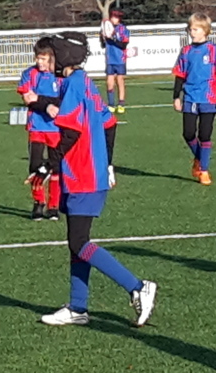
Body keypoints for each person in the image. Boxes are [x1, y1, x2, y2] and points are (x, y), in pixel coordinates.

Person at [37, 32, 158, 328]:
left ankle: (137, 286)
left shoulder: (75, 84)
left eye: (51, 56)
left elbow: (71, 132)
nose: (47, 63)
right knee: (76, 243)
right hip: (85, 173)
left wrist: (48, 164)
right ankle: (78, 307)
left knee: (79, 242)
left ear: (63, 57)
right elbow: (109, 122)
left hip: (83, 175)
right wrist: (109, 164)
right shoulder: (85, 83)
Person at [174, 14, 216, 186]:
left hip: (209, 98)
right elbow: (180, 75)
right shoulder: (186, 51)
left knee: (205, 134)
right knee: (188, 133)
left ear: (205, 31)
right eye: (190, 29)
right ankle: (199, 158)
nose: (192, 32)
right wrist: (176, 97)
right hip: (190, 97)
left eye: (195, 29)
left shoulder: (213, 50)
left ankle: (203, 170)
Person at [17, 37, 62, 221]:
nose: (39, 62)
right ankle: (38, 203)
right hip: (36, 126)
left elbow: (64, 101)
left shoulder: (60, 76)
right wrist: (47, 106)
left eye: (43, 58)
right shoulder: (29, 74)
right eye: (38, 58)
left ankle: (53, 206)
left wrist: (42, 100)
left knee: (56, 168)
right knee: (36, 167)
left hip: (57, 128)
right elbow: (28, 99)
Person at [100, 10, 130, 113]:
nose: (113, 19)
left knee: (120, 81)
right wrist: (102, 37)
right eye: (112, 17)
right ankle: (111, 104)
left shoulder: (123, 29)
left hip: (120, 59)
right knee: (109, 83)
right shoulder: (107, 28)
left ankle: (121, 103)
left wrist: (113, 39)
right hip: (110, 59)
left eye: (116, 17)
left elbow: (123, 45)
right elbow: (103, 45)